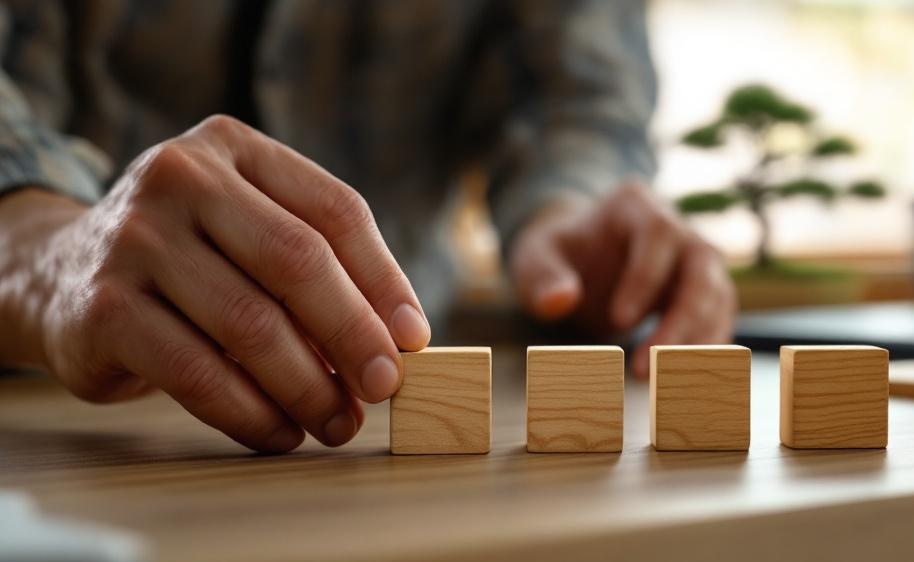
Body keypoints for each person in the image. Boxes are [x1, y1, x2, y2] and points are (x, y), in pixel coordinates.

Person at [0, 1, 735, 453]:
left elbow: (576, 93)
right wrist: (44, 255)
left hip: (387, 417)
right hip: (46, 425)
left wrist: (572, 208)